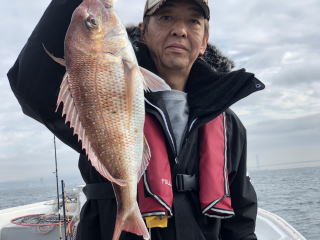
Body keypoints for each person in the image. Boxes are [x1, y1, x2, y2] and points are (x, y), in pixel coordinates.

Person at [7, 0, 264, 239]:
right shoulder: (98, 95)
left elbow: (240, 217)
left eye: (193, 21)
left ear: (204, 40)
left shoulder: (228, 124)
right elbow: (29, 85)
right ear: (143, 31)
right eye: (165, 17)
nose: (180, 30)